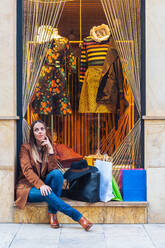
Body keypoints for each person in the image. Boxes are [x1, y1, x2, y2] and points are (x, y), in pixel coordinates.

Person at [15, 120, 93, 231]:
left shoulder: (48, 146)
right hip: (28, 188)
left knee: (57, 174)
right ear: (33, 134)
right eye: (36, 130)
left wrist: (51, 151)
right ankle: (78, 217)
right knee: (49, 193)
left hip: (44, 184)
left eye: (42, 129)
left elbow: (53, 169)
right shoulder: (25, 148)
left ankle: (52, 212)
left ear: (46, 131)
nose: (40, 132)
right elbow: (27, 170)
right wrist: (41, 185)